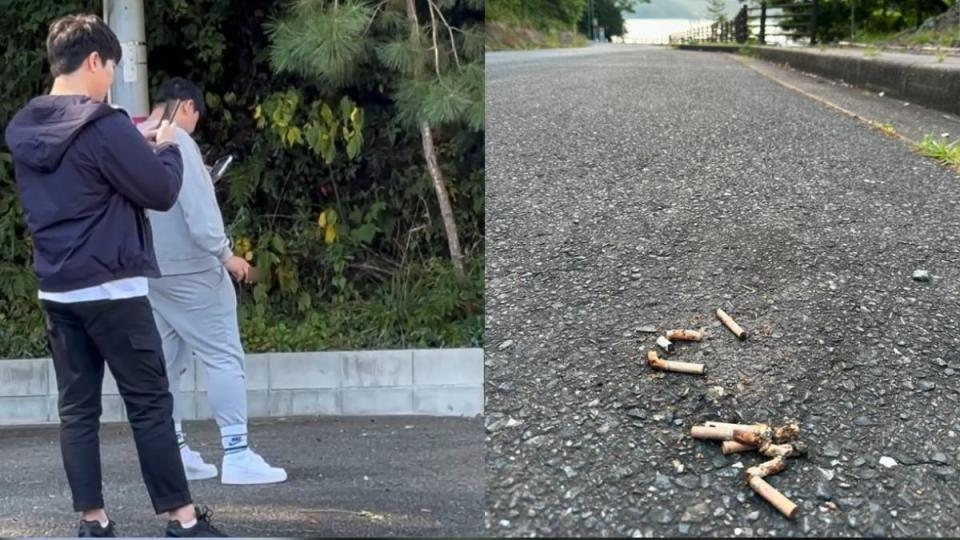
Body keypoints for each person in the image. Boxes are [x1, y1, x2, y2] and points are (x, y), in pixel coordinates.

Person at [3, 15, 224, 538]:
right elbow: (160, 191)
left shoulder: (27, 126)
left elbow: (86, 171)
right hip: (113, 286)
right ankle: (183, 520)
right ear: (95, 61)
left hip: (57, 287)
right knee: (149, 402)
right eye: (112, 70)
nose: (112, 83)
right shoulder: (103, 125)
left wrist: (133, 137)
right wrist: (166, 145)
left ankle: (93, 522)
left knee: (77, 409)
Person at [141, 77, 287, 485]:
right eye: (195, 117)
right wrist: (227, 256)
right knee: (224, 354)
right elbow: (201, 218)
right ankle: (237, 454)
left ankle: (174, 450)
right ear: (186, 106)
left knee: (166, 363)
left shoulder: (133, 138)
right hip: (193, 269)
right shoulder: (180, 141)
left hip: (151, 270)